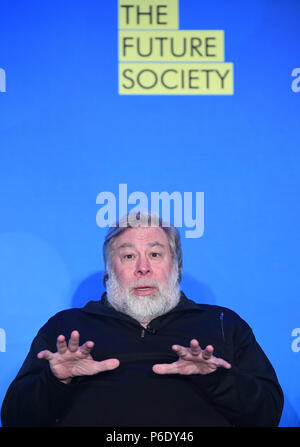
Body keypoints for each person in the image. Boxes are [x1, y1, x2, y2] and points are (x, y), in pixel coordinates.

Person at [1, 212, 283, 427]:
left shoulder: (223, 324)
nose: (143, 268)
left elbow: (267, 414)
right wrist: (55, 381)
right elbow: (15, 419)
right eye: (128, 256)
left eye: (155, 254)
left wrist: (218, 379)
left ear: (177, 266)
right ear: (109, 270)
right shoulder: (66, 329)